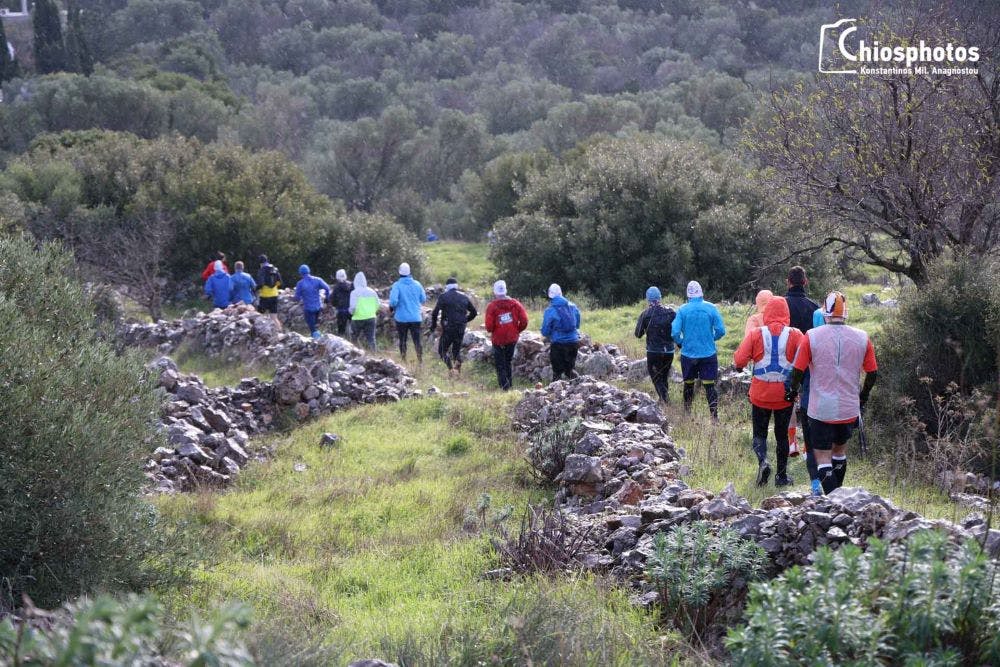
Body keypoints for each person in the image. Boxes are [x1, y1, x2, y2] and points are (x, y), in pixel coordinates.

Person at [786, 292, 877, 494]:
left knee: (822, 456)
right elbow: (872, 373)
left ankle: (834, 501)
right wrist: (863, 396)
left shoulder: (811, 336)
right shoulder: (863, 337)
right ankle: (839, 498)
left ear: (824, 313)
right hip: (849, 407)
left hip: (820, 408)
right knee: (839, 452)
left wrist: (792, 392)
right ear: (846, 313)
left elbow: (797, 371)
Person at [734, 297, 804, 487]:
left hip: (760, 395)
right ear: (786, 314)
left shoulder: (756, 333)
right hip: (784, 395)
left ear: (766, 313)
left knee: (759, 434)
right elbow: (805, 361)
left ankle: (763, 462)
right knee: (782, 436)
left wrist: (741, 366)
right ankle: (781, 477)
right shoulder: (796, 334)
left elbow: (739, 360)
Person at [784, 266, 823, 494]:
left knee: (788, 402)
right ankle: (809, 448)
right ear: (805, 282)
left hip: (787, 361)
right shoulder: (814, 307)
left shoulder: (782, 306)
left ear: (788, 282)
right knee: (807, 405)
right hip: (809, 362)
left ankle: (790, 444)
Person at [671, 281, 726, 419]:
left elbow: (675, 332)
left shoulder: (682, 310)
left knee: (688, 383)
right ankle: (714, 417)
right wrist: (711, 338)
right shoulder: (711, 308)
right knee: (709, 385)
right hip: (708, 353)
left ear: (688, 295)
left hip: (688, 354)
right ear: (701, 293)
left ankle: (687, 413)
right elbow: (721, 330)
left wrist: (681, 342)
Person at [634, 286, 676, 404]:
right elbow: (677, 329)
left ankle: (665, 400)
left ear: (648, 299)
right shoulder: (671, 312)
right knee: (664, 375)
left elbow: (638, 334)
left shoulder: (645, 314)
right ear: (660, 298)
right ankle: (663, 400)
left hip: (653, 351)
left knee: (656, 377)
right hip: (669, 351)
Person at [484, 280, 528, 390]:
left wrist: (494, 329)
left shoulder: (492, 306)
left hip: (498, 340)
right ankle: (509, 385)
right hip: (512, 339)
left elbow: (489, 327)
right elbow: (524, 321)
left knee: (500, 364)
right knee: (508, 362)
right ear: (506, 290)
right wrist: (517, 330)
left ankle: (505, 387)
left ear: (495, 292)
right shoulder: (516, 304)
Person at [430, 277, 477, 375]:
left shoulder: (443, 297)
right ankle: (457, 372)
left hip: (448, 328)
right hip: (460, 328)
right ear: (457, 287)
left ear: (447, 287)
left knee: (442, 350)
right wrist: (464, 320)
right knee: (456, 351)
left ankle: (451, 369)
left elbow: (435, 313)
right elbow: (474, 312)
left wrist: (433, 326)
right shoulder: (464, 297)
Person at [540, 283, 581, 382]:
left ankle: (555, 394)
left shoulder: (550, 310)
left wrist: (549, 334)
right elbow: (577, 324)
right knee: (570, 370)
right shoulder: (573, 306)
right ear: (561, 293)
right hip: (573, 343)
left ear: (550, 296)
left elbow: (545, 331)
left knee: (557, 373)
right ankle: (579, 387)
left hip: (558, 344)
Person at [389, 262, 427, 362]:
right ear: (410, 272)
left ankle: (403, 360)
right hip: (415, 317)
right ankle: (420, 361)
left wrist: (394, 307)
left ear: (399, 272)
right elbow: (423, 299)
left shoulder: (397, 285)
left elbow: (393, 301)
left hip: (401, 318)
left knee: (403, 340)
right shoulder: (418, 284)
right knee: (417, 340)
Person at [293, 264, 331, 339]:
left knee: (312, 329)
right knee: (315, 326)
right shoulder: (317, 280)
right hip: (318, 307)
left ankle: (317, 342)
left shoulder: (300, 283)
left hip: (308, 309)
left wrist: (294, 298)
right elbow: (327, 288)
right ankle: (317, 339)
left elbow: (297, 298)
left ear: (300, 273)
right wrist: (327, 298)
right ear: (309, 271)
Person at [348, 271, 379, 351]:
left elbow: (353, 307)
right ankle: (374, 355)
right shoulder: (372, 292)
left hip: (358, 318)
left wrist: (351, 313)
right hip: (371, 318)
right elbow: (378, 305)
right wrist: (372, 312)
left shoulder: (354, 293)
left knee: (354, 338)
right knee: (371, 339)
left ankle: (355, 354)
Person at [329, 269, 354, 336]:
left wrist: (335, 305)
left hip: (341, 311)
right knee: (353, 330)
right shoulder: (352, 285)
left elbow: (333, 299)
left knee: (341, 332)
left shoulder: (336, 287)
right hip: (352, 310)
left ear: (337, 277)